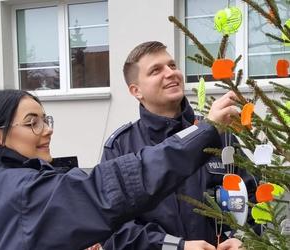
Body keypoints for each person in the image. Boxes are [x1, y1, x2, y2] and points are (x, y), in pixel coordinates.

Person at [0, 89, 237, 250]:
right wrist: (178, 246)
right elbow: (110, 192)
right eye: (32, 123)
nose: (47, 129)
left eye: (46, 119)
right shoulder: (19, 190)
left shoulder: (24, 180)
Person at [101, 41, 257, 250]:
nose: (171, 73)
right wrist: (176, 247)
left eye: (172, 66)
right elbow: (113, 229)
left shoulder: (219, 134)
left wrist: (245, 240)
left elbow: (254, 199)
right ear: (136, 90)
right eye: (156, 70)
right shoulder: (121, 147)